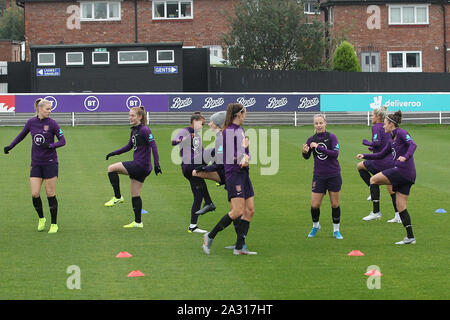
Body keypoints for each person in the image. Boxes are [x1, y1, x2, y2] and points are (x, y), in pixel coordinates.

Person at [4, 98, 66, 234]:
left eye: (50, 109)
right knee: (35, 193)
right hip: (36, 163)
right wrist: (10, 146)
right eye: (47, 109)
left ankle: (54, 224)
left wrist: (50, 145)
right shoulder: (31, 122)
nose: (49, 111)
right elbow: (21, 135)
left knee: (50, 193)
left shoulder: (53, 124)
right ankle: (41, 219)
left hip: (50, 163)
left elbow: (63, 141)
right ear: (39, 109)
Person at [193, 111, 253, 252]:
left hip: (230, 174)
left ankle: (238, 244)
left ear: (218, 123)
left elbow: (222, 160)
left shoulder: (223, 135)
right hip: (232, 174)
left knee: (238, 210)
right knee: (238, 211)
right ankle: (239, 244)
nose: (209, 123)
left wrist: (206, 167)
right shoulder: (225, 134)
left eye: (211, 121)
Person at [357, 110, 417, 245]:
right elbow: (380, 155)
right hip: (408, 175)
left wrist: (405, 157)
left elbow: (413, 145)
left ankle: (376, 211)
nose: (383, 126)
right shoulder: (392, 139)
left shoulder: (401, 133)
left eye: (385, 124)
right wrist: (364, 155)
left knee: (373, 180)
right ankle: (410, 237)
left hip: (403, 171)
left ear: (391, 124)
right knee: (401, 206)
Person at [104, 106, 161, 228]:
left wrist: (157, 164)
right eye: (129, 115)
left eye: (132, 115)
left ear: (140, 117)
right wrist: (114, 153)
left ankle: (118, 197)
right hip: (142, 167)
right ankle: (138, 222)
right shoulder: (134, 130)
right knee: (135, 194)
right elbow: (129, 146)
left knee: (111, 169)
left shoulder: (145, 130)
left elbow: (154, 146)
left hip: (141, 165)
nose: (130, 117)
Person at [172, 112, 215, 233]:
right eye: (201, 124)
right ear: (194, 121)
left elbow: (201, 152)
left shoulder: (197, 136)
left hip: (193, 167)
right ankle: (222, 174)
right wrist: (184, 138)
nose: (202, 126)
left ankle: (193, 226)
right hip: (188, 164)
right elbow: (174, 141)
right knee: (215, 150)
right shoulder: (185, 131)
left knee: (198, 196)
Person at [302, 114, 343, 240]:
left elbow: (335, 154)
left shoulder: (331, 137)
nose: (318, 125)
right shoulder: (311, 139)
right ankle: (316, 226)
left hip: (333, 174)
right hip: (319, 176)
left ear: (325, 123)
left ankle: (336, 230)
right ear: (314, 125)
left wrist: (318, 147)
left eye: (321, 123)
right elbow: (307, 156)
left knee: (335, 204)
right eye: (316, 123)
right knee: (315, 204)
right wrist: (304, 152)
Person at [357, 106, 400, 223]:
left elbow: (377, 143)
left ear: (378, 117)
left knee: (361, 167)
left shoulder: (376, 126)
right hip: (391, 160)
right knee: (391, 189)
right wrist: (373, 147)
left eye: (372, 115)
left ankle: (374, 201)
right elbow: (385, 143)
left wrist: (366, 142)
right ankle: (398, 215)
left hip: (380, 161)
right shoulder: (388, 127)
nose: (371, 117)